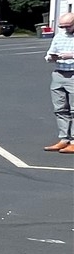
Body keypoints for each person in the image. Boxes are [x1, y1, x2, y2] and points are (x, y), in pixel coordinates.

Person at [45, 11, 74, 152]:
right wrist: (51, 57)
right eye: (62, 26)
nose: (65, 29)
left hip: (73, 74)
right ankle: (64, 138)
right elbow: (49, 53)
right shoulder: (59, 36)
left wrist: (71, 55)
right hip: (59, 74)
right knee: (60, 108)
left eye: (68, 26)